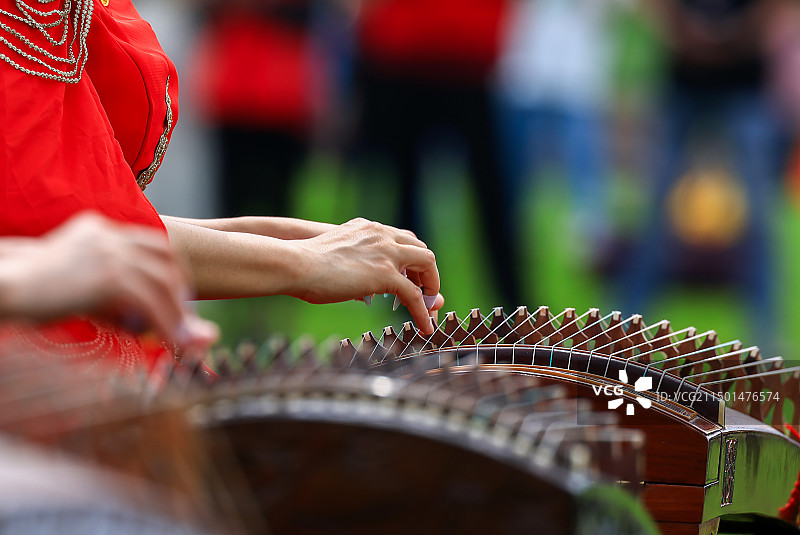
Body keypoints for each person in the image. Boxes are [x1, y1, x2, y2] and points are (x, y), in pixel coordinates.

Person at [0, 0, 442, 370]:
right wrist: (298, 261)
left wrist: (276, 237)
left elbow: (74, 231)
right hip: (40, 388)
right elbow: (64, 245)